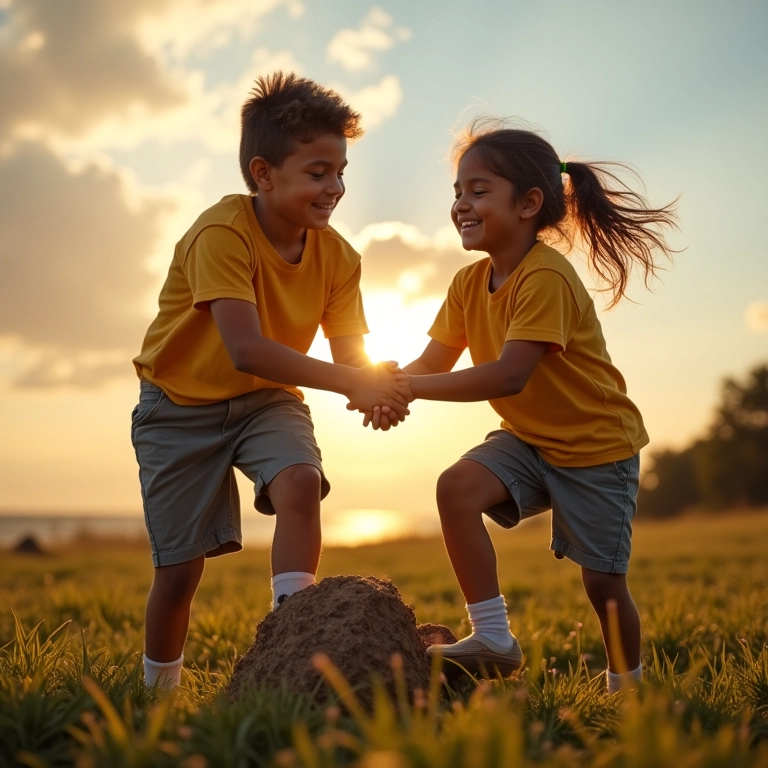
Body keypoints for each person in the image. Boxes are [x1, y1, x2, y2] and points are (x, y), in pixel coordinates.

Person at [374, 121, 677, 691]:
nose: (461, 204)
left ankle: (628, 690)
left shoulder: (545, 278)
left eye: (478, 190)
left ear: (529, 203)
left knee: (604, 586)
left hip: (596, 447)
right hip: (531, 440)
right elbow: (432, 362)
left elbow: (510, 375)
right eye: (457, 192)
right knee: (455, 487)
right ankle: (492, 636)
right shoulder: (468, 284)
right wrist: (382, 383)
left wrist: (407, 390)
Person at [131, 71, 409, 689]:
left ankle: (294, 628)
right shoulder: (222, 233)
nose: (335, 187)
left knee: (301, 481)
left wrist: (378, 388)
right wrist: (352, 382)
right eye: (318, 172)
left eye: (341, 173)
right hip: (179, 406)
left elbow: (348, 356)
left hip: (266, 402)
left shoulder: (339, 257)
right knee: (180, 571)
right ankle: (157, 694)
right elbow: (247, 347)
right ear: (264, 174)